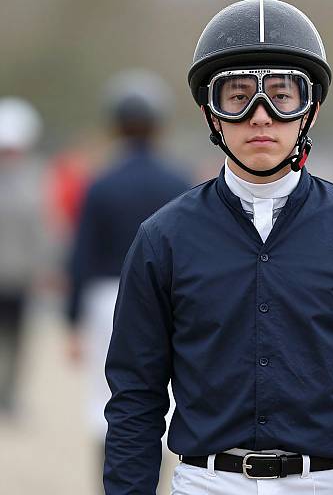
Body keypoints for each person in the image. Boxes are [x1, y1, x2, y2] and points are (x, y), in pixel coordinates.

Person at [104, 0, 333, 495]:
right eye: (237, 97)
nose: (261, 117)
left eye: (282, 95)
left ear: (311, 110)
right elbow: (135, 396)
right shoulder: (161, 239)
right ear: (211, 114)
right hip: (205, 482)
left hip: (321, 483)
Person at [65, 70, 192, 475]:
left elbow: (82, 254)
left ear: (115, 124)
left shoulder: (101, 184)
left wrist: (72, 319)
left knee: (107, 396)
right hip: (169, 295)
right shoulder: (177, 180)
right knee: (166, 393)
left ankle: (113, 478)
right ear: (159, 123)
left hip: (108, 297)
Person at [0, 97, 44, 417]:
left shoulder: (33, 181)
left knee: (18, 342)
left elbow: (41, 230)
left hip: (20, 278)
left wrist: (43, 268)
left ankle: (10, 395)